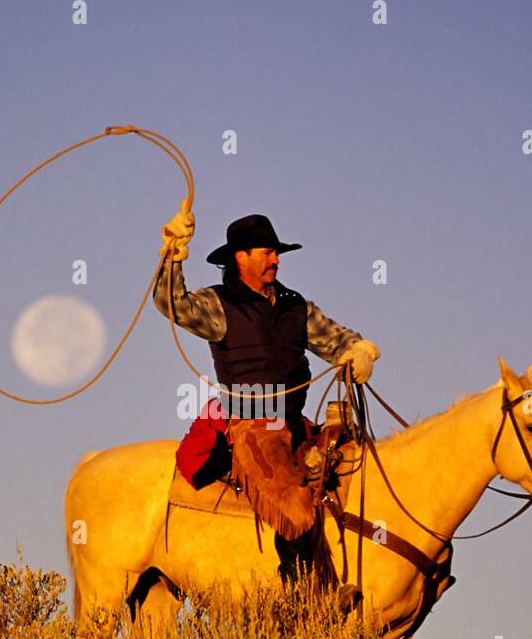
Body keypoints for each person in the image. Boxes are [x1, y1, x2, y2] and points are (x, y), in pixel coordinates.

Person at [153, 206, 379, 582]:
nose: (275, 259)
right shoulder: (219, 304)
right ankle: (300, 596)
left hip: (294, 421)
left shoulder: (294, 305)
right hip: (253, 426)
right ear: (241, 258)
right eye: (267, 252)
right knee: (293, 504)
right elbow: (172, 305)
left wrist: (357, 350)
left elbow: (333, 338)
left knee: (352, 466)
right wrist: (172, 256)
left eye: (276, 253)